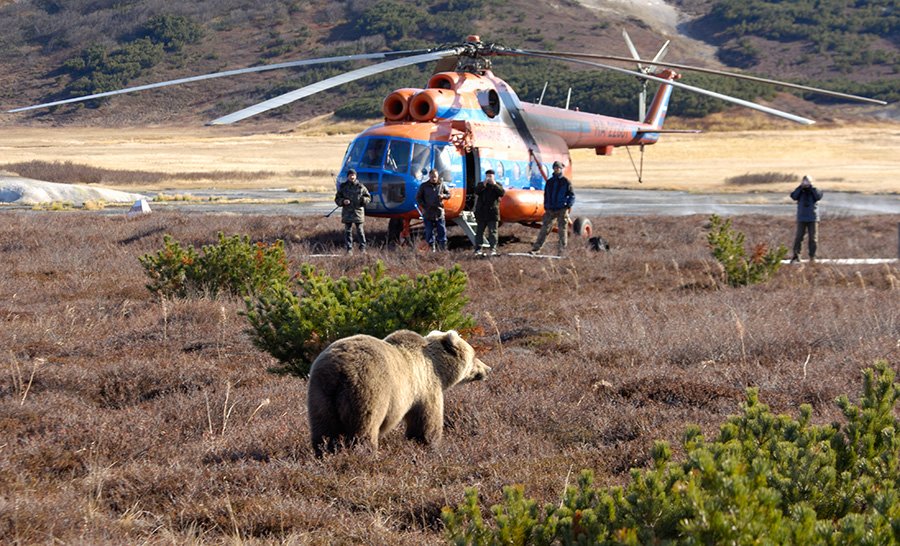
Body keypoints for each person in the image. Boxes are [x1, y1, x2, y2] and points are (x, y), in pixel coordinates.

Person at [531, 161, 575, 255]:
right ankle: (536, 249)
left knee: (562, 230)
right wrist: (546, 205)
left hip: (562, 209)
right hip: (550, 209)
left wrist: (567, 205)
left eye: (558, 168)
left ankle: (562, 251)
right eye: (555, 168)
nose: (557, 169)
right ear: (553, 169)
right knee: (544, 229)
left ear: (561, 169)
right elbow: (546, 195)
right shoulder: (549, 182)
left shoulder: (565, 182)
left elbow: (572, 195)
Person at [334, 169, 371, 254]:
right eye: (350, 175)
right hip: (347, 212)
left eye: (353, 175)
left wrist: (363, 200)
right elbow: (337, 199)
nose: (352, 177)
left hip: (358, 212)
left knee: (360, 230)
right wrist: (343, 201)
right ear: (348, 176)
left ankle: (362, 248)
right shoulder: (343, 187)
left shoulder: (361, 187)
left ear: (356, 176)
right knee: (347, 231)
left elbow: (368, 197)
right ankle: (349, 249)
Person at [789, 175, 823, 263]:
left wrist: (811, 188)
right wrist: (800, 188)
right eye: (804, 181)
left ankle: (812, 257)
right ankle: (796, 256)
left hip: (813, 217)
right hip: (802, 217)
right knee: (799, 237)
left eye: (807, 181)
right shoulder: (800, 190)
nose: (806, 183)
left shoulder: (815, 190)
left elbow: (818, 196)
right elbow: (793, 196)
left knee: (813, 238)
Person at [415, 169, 451, 251]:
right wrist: (424, 206)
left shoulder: (442, 185)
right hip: (428, 213)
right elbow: (418, 197)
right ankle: (432, 251)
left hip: (439, 213)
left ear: (437, 176)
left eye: (435, 176)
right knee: (429, 233)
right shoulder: (424, 186)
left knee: (442, 233)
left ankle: (443, 251)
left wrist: (443, 196)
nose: (433, 178)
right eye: (431, 176)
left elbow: (449, 195)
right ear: (429, 176)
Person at [473, 169, 505, 256]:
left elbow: (502, 193)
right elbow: (476, 191)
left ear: (494, 177)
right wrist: (484, 184)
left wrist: (494, 184)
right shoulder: (481, 185)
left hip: (492, 213)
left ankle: (493, 249)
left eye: (490, 176)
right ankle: (478, 249)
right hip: (482, 213)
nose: (489, 178)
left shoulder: (497, 185)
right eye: (487, 176)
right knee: (479, 232)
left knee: (493, 232)